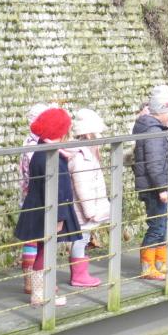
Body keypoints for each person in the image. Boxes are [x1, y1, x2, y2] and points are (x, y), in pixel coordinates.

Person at [14, 107, 80, 307]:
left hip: (39, 207)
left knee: (44, 249)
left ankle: (43, 291)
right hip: (49, 210)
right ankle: (40, 294)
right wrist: (59, 217)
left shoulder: (42, 150)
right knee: (46, 250)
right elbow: (57, 188)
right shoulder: (50, 157)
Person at [132, 84, 168, 280]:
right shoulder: (154, 132)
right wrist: (162, 188)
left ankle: (160, 262)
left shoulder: (154, 127)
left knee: (163, 226)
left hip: (155, 186)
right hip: (154, 188)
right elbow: (154, 163)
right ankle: (147, 266)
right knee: (157, 226)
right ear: (160, 111)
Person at [66, 108, 111, 287]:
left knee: (82, 239)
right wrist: (90, 210)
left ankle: (80, 273)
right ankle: (78, 275)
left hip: (82, 207)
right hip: (82, 209)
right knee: (80, 239)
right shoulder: (82, 156)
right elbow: (82, 186)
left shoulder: (82, 152)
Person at [18, 102, 56, 294]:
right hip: (36, 198)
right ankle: (33, 281)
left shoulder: (29, 142)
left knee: (32, 241)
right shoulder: (36, 146)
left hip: (28, 197)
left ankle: (32, 280)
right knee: (36, 241)